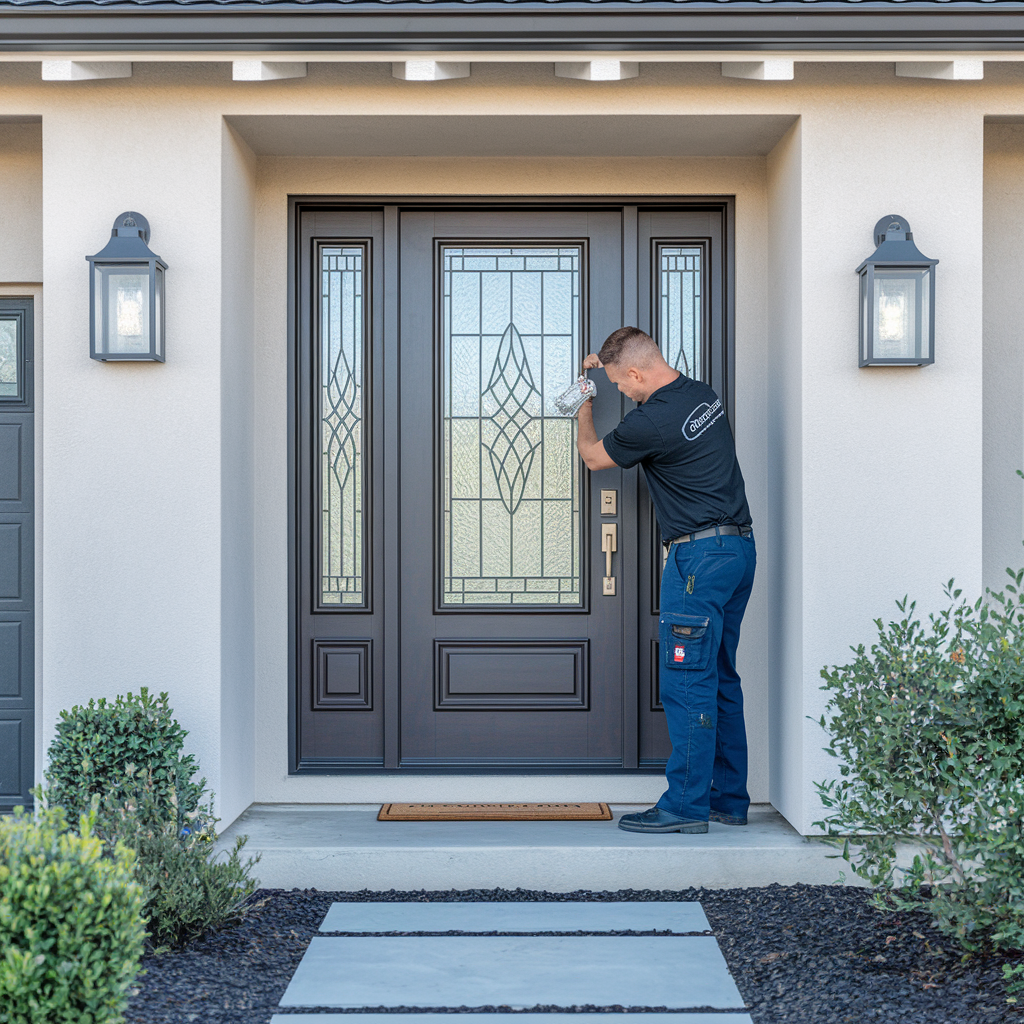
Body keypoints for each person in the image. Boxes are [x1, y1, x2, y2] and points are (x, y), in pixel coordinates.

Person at [575, 326, 756, 834]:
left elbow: (593, 458)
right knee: (719, 677)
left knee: (686, 682)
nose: (622, 393)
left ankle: (684, 806)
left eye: (620, 384)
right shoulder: (700, 394)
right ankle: (727, 799)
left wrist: (584, 402)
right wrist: (604, 362)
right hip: (737, 550)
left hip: (696, 561)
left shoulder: (652, 422)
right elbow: (633, 366)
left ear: (635, 373)